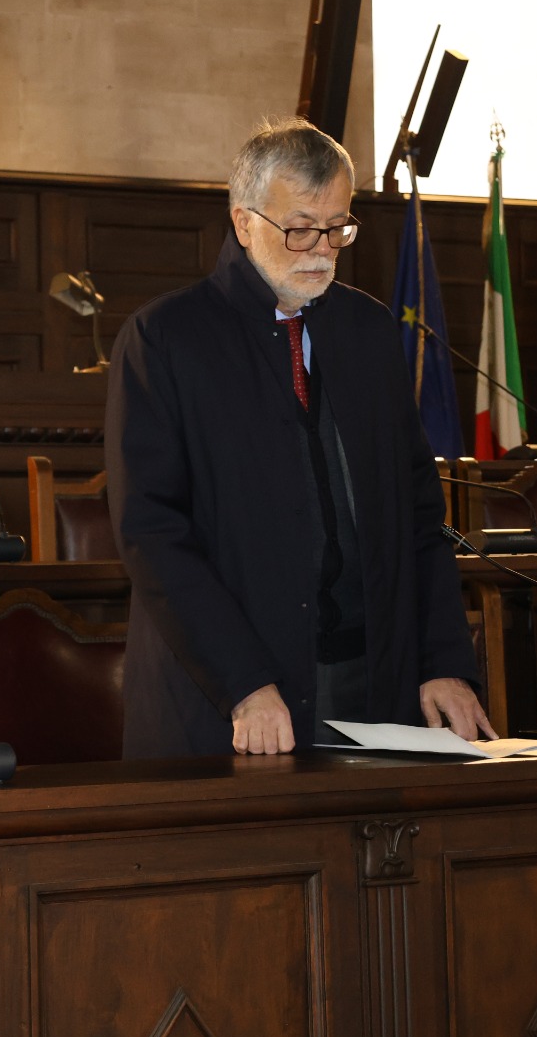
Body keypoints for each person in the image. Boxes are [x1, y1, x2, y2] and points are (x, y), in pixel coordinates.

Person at [105, 117, 495, 759]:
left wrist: (443, 659)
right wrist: (245, 683)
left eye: (337, 227)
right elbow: (153, 533)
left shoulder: (368, 332)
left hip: (375, 681)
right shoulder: (166, 340)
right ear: (243, 222)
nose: (321, 249)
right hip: (230, 698)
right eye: (299, 229)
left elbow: (420, 518)